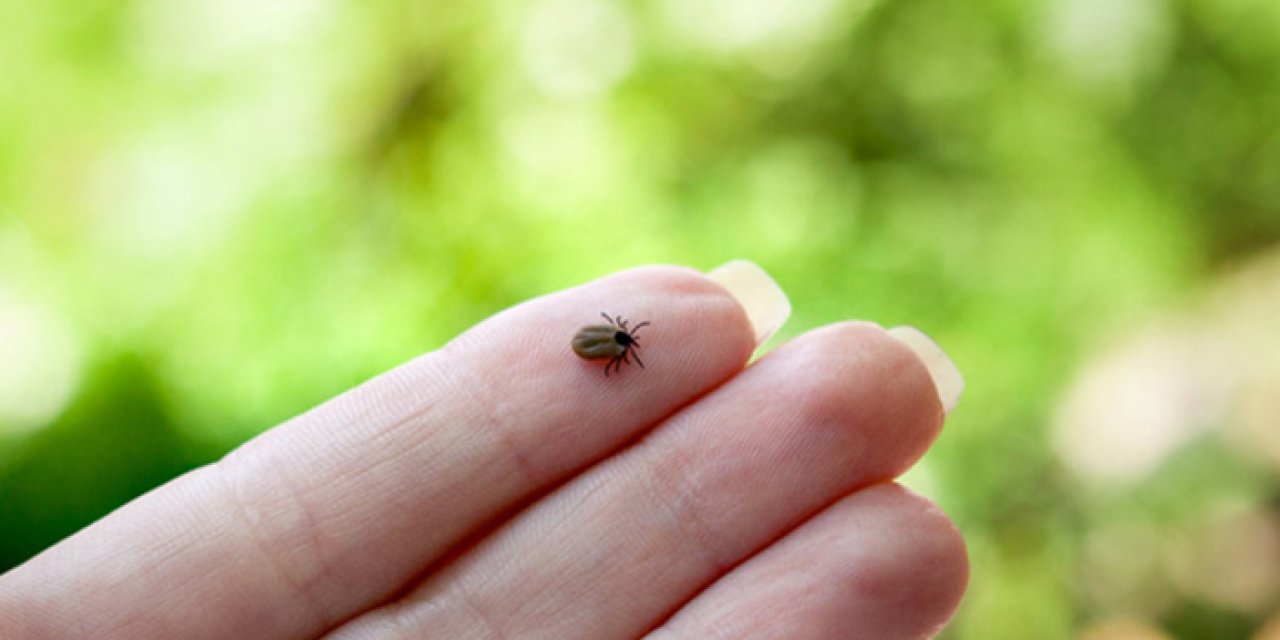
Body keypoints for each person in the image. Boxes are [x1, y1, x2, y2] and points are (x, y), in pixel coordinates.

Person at [0, 260, 968, 639]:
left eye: (618, 341)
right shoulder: (609, 345)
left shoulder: (607, 341)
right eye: (622, 341)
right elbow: (596, 344)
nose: (617, 345)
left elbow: (594, 341)